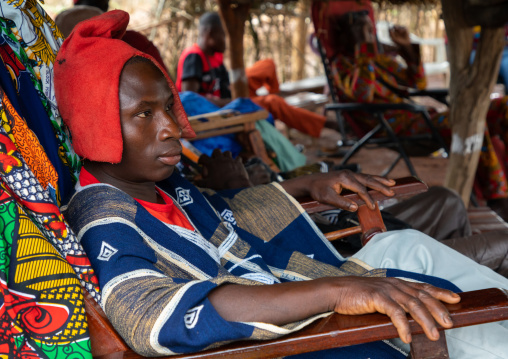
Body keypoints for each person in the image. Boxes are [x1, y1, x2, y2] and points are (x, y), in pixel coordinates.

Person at [57, 11, 508, 358]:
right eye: (144, 114)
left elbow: (225, 208)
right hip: (291, 336)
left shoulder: (157, 184)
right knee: (462, 325)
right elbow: (147, 314)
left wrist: (313, 182)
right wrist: (337, 291)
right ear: (97, 126)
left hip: (291, 285)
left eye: (169, 109)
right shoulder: (104, 220)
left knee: (409, 246)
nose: (173, 128)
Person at [329, 10, 508, 220]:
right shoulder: (342, 65)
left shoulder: (379, 60)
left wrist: (408, 50)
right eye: (363, 29)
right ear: (349, 33)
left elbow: (417, 83)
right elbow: (363, 94)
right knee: (468, 122)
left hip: (420, 120)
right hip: (395, 127)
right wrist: (363, 47)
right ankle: (498, 197)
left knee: (502, 106)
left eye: (370, 28)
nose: (370, 33)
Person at [176, 12, 338, 138]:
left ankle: (276, 94)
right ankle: (325, 123)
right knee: (273, 102)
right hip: (216, 109)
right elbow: (191, 100)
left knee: (267, 65)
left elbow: (226, 87)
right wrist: (235, 101)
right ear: (210, 34)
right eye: (223, 35)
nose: (227, 40)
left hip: (228, 98)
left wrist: (238, 92)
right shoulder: (194, 56)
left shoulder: (215, 57)